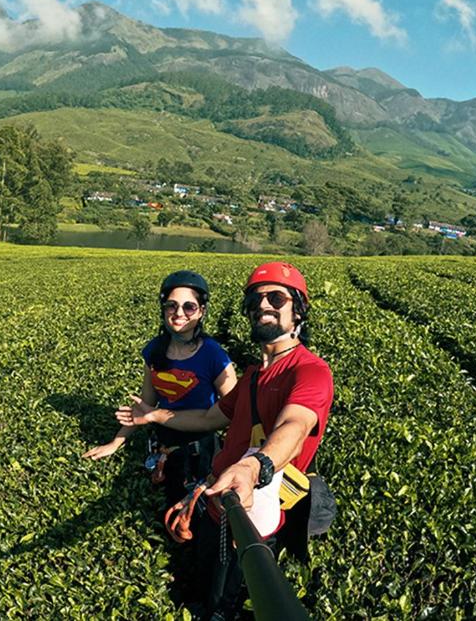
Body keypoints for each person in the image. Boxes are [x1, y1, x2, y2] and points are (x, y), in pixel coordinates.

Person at [118, 261, 334, 618]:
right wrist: (153, 415)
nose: (263, 305)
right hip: (218, 497)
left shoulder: (309, 370)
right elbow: (208, 417)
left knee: (224, 596)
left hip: (251, 509)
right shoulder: (252, 375)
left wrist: (254, 466)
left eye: (276, 298)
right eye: (255, 300)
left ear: (298, 311)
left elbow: (295, 426)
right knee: (201, 580)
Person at [84, 270, 237, 507]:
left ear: (202, 311)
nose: (178, 313)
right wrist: (116, 442)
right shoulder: (155, 350)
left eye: (189, 307)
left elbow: (233, 409)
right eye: (171, 305)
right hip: (164, 435)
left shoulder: (214, 355)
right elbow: (145, 405)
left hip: (201, 437)